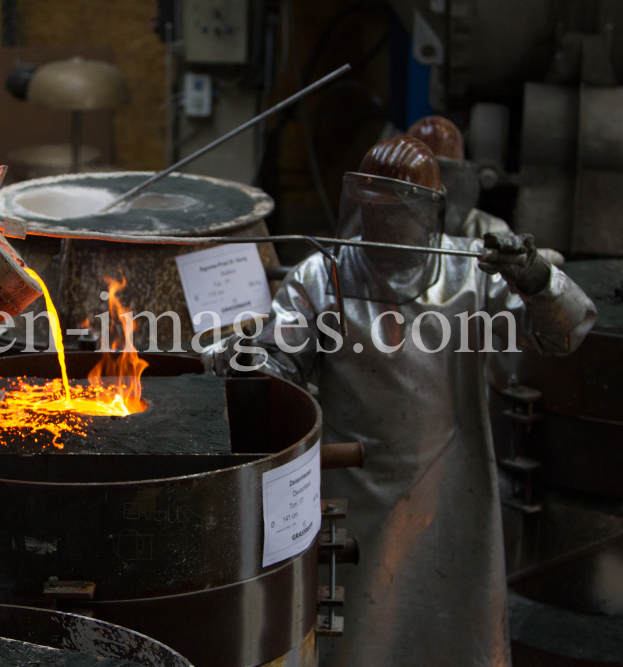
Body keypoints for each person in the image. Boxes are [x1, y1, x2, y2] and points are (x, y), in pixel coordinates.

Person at [203, 136, 596, 667]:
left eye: (397, 214)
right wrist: (252, 362)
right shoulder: (325, 275)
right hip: (356, 494)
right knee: (361, 639)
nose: (382, 226)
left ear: (430, 212)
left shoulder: (467, 278)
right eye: (373, 211)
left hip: (453, 491)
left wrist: (536, 278)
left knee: (454, 635)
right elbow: (284, 367)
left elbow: (569, 332)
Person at [406, 115, 514, 240]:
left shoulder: (488, 229)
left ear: (455, 174)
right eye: (422, 170)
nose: (431, 179)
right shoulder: (393, 225)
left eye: (442, 170)